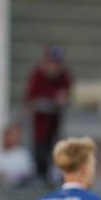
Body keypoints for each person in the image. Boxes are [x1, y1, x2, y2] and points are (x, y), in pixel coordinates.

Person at [26, 46, 72, 181]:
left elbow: (67, 95)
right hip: (39, 131)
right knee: (40, 163)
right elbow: (31, 100)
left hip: (55, 130)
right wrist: (52, 100)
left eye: (57, 63)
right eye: (51, 63)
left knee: (58, 161)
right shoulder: (37, 75)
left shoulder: (64, 77)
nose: (54, 67)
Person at [0, 122, 35, 187]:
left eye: (15, 135)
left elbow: (28, 172)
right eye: (10, 135)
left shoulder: (23, 154)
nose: (12, 137)